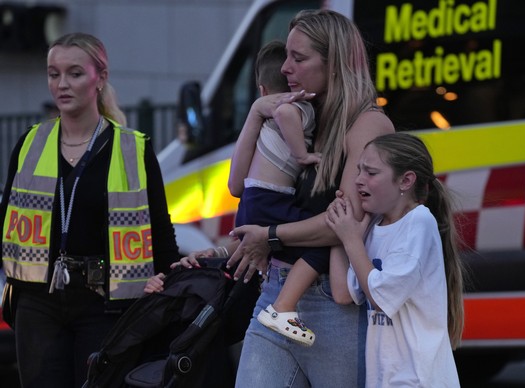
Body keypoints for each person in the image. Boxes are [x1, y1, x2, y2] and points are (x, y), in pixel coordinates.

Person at [177, 9, 395, 387]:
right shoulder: (299, 116)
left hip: (334, 304)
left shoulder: (368, 123)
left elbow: (344, 223)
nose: (286, 68)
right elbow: (246, 189)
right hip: (276, 290)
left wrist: (270, 236)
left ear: (335, 63)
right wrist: (220, 254)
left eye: (299, 58)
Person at [0, 32, 179, 388]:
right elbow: (7, 220)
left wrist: (171, 280)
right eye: (54, 74)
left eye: (75, 73)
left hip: (107, 306)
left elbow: (160, 230)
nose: (62, 84)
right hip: (37, 303)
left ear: (101, 78)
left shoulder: (133, 149)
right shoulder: (31, 143)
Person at [325, 132, 465, 387]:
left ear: (405, 181)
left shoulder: (419, 222)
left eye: (371, 173)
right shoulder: (375, 225)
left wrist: (351, 240)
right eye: (358, 171)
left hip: (417, 379)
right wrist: (340, 231)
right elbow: (344, 294)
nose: (358, 181)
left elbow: (380, 297)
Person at [229, 39, 323, 346]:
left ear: (261, 89)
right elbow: (286, 115)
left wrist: (257, 111)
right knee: (323, 237)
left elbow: (234, 186)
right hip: (271, 199)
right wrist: (303, 155)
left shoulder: (262, 121)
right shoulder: (298, 108)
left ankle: (279, 301)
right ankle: (283, 307)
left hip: (251, 202)